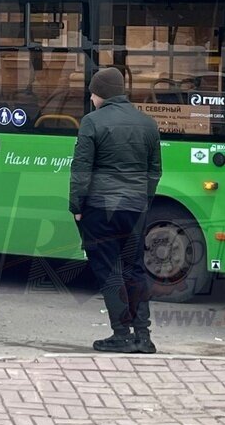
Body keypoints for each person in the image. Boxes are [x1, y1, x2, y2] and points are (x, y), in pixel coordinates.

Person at [69, 67, 162, 354]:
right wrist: (142, 200)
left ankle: (121, 334)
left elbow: (82, 169)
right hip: (134, 208)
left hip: (100, 208)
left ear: (101, 94)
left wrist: (76, 205)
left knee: (109, 271)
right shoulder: (147, 123)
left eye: (93, 94)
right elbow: (155, 170)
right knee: (135, 269)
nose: (92, 99)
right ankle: (144, 336)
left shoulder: (91, 122)